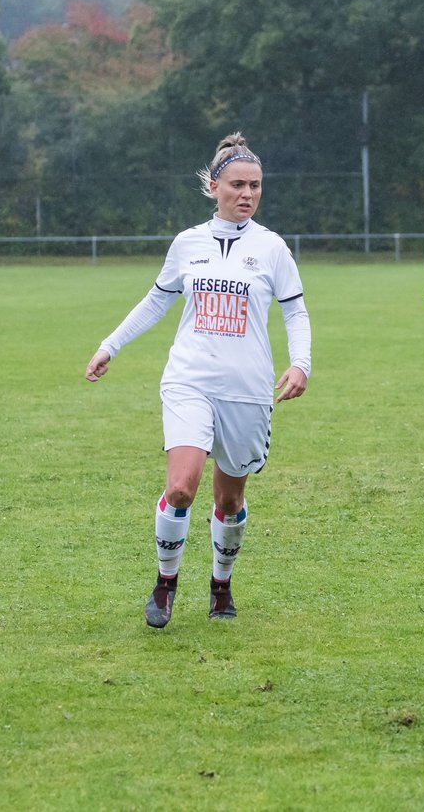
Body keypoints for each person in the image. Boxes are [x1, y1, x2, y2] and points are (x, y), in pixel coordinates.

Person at [85, 133, 311, 629]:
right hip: (189, 379)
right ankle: (165, 582)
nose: (247, 193)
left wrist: (301, 363)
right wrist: (109, 346)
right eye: (237, 184)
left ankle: (221, 584)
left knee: (229, 500)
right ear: (214, 187)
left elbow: (295, 312)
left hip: (248, 390)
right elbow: (155, 301)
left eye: (255, 185)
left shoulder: (272, 248)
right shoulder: (187, 243)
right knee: (182, 487)